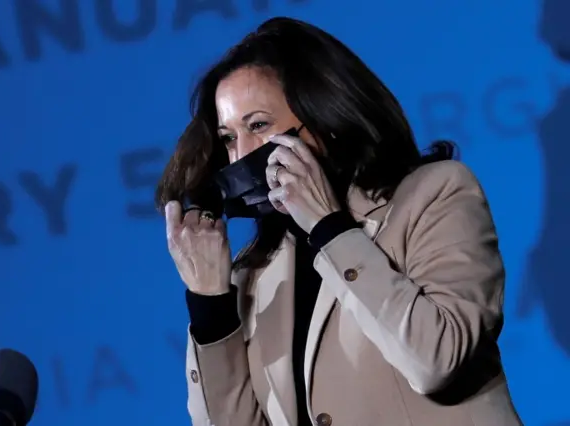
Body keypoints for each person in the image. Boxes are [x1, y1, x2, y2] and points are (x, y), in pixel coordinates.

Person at [155, 17, 523, 426]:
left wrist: (329, 227)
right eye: (228, 138)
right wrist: (210, 303)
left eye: (258, 126)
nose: (241, 156)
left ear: (325, 117)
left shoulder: (435, 195)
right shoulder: (257, 273)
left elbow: (436, 360)